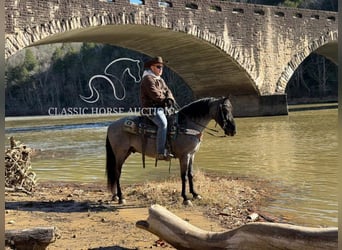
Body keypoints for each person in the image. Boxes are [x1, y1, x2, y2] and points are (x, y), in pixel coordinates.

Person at [140, 56, 176, 161]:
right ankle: (160, 152)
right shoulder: (147, 79)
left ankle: (171, 146)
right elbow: (154, 95)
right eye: (158, 67)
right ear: (152, 67)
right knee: (163, 123)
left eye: (162, 67)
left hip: (161, 107)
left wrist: (170, 99)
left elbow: (168, 90)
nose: (161, 69)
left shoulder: (160, 79)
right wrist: (165, 100)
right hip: (150, 109)